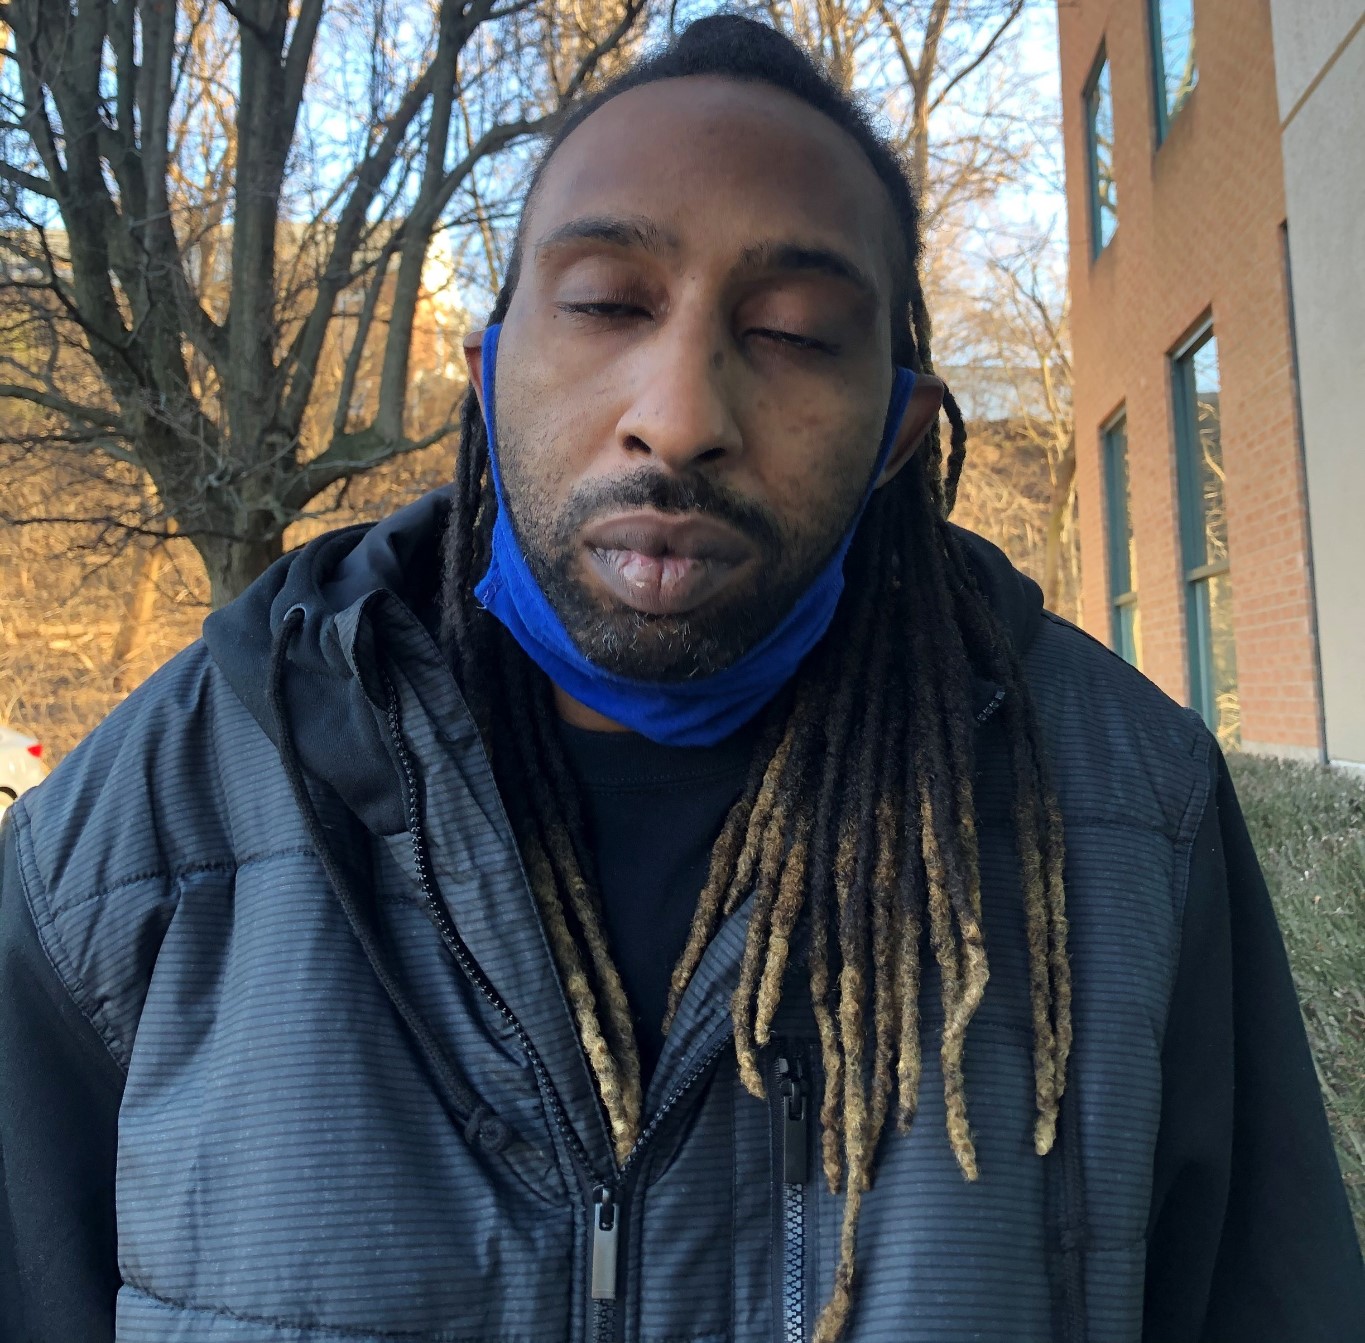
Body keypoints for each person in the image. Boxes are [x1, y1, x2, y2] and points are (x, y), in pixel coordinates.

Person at [2, 16, 1362, 1343]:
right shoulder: (160, 812)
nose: (681, 416)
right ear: (488, 375)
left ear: (897, 433)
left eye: (795, 331)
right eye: (606, 304)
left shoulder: (1130, 820)